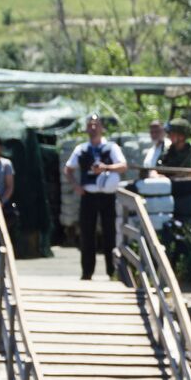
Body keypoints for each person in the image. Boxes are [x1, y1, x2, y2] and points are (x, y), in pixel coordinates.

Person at [64, 113, 127, 280]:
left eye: (96, 124)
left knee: (110, 233)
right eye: (90, 125)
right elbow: (68, 169)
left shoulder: (111, 148)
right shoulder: (81, 149)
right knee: (87, 234)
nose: (93, 128)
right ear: (86, 128)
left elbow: (122, 166)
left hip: (107, 196)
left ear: (101, 127)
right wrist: (76, 186)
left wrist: (106, 167)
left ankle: (111, 271)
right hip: (89, 195)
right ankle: (87, 272)